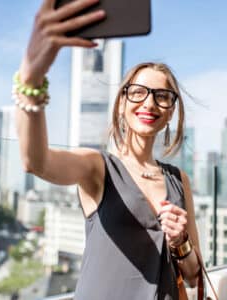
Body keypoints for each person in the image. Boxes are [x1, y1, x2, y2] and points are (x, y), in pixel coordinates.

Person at [15, 0, 202, 299]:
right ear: (122, 104)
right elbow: (36, 161)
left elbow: (193, 275)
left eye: (162, 96)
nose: (149, 103)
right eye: (138, 93)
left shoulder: (179, 180)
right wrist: (31, 78)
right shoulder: (97, 167)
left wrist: (180, 241)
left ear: (170, 112)